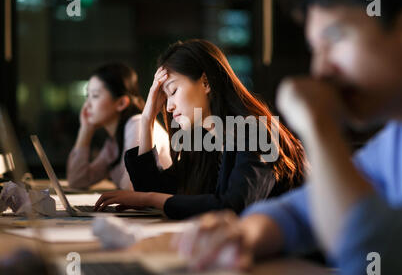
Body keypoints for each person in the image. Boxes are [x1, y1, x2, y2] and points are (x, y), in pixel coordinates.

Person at [172, 0, 402, 275]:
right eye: (314, 49)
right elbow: (300, 210)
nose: (319, 70)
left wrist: (318, 125)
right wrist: (243, 234)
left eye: (335, 39)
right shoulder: (400, 137)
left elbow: (370, 255)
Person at [94, 39, 308, 219]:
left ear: (206, 83)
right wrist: (147, 118)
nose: (168, 107)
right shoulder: (205, 141)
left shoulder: (256, 130)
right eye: (165, 97)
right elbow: (156, 191)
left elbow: (233, 208)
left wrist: (148, 199)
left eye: (173, 90)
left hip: (301, 264)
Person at [67, 62, 172, 190]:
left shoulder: (137, 124)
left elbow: (131, 187)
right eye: (87, 96)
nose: (87, 105)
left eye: (95, 96)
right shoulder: (113, 142)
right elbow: (77, 181)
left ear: (121, 103)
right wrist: (85, 130)